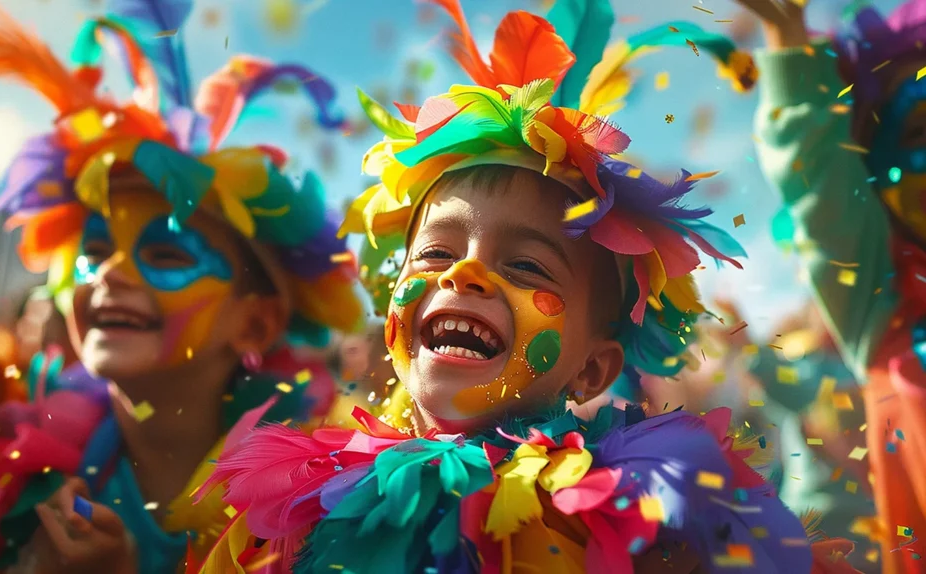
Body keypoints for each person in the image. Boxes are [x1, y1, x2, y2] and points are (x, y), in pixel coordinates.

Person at [192, 1, 852, 572]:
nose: (463, 273)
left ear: (593, 369)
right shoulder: (295, 502)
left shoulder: (637, 512)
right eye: (435, 253)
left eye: (525, 267)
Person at [0, 1, 365, 572]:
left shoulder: (323, 503)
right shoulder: (20, 434)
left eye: (166, 253)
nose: (109, 272)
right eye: (94, 252)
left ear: (256, 322)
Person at [735, 0, 926, 569]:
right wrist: (788, 35)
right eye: (920, 128)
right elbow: (824, 189)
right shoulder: (884, 324)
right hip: (835, 528)